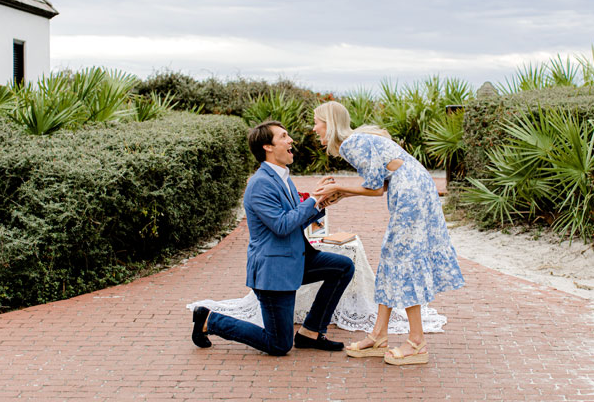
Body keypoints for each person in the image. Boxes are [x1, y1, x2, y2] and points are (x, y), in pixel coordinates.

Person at [312, 101, 465, 365]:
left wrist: (338, 190)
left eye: (317, 122)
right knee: (392, 257)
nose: (315, 128)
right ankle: (379, 335)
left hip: (410, 191)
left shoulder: (351, 144)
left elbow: (374, 189)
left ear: (329, 123)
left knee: (403, 260)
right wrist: (341, 193)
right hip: (414, 187)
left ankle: (417, 342)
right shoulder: (357, 140)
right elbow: (379, 183)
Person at [191, 120, 354, 355]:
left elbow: (293, 220)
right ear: (268, 147)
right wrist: (313, 200)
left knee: (343, 267)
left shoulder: (283, 177)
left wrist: (320, 205)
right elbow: (281, 225)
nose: (291, 141)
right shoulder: (260, 184)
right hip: (274, 271)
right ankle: (210, 320)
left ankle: (311, 332)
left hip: (295, 260)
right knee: (279, 344)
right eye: (284, 137)